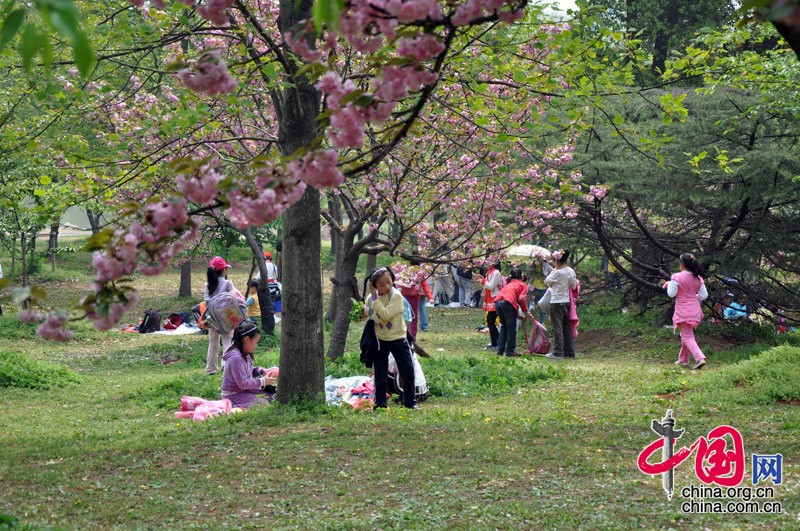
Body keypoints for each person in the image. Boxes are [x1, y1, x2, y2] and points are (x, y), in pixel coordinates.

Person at [365, 267, 418, 410]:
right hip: (380, 340)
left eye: (389, 282)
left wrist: (375, 301)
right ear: (374, 286)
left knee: (407, 371)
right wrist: (365, 311)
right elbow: (370, 315)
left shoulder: (396, 296)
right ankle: (380, 404)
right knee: (380, 374)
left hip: (399, 339)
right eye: (381, 284)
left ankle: (410, 402)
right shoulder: (371, 299)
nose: (387, 287)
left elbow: (386, 314)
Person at [664, 252, 708, 370]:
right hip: (695, 310)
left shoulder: (676, 277)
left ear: (682, 265)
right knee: (687, 334)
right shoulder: (698, 278)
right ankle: (683, 359)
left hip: (683, 311)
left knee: (687, 336)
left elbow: (671, 294)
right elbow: (704, 295)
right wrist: (694, 297)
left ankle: (700, 358)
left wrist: (669, 284)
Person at [220, 321, 278, 409]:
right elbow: (242, 383)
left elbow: (247, 371)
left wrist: (261, 370)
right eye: (256, 342)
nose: (256, 345)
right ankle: (228, 407)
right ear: (247, 339)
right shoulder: (236, 358)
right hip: (233, 394)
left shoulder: (245, 353)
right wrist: (263, 381)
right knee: (262, 403)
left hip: (244, 391)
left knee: (271, 396)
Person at [545, 249, 578, 359]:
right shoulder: (570, 271)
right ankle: (569, 351)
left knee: (557, 327)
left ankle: (558, 352)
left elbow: (546, 281)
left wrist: (554, 270)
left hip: (556, 302)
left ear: (556, 260)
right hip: (567, 302)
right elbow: (574, 286)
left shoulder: (557, 272)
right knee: (566, 327)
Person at [204, 256, 235, 375]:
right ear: (223, 270)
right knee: (228, 341)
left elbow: (207, 301)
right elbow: (234, 297)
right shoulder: (228, 284)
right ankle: (226, 366)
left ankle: (211, 369)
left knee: (213, 344)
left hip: (212, 319)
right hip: (227, 318)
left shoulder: (208, 285)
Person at [493, 268, 532, 357]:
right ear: (521, 276)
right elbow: (521, 299)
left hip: (498, 303)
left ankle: (500, 350)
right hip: (507, 303)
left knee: (504, 327)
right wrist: (526, 312)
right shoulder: (522, 284)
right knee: (511, 328)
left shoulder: (508, 284)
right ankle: (510, 351)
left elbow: (511, 302)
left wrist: (518, 315)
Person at [475, 261, 504, 351]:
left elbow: (491, 287)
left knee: (491, 321)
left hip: (495, 298)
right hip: (490, 297)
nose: (486, 263)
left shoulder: (496, 272)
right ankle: (496, 342)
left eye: (489, 261)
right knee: (490, 321)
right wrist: (482, 280)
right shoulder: (489, 272)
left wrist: (482, 281)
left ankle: (496, 342)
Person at [527, 256, 553, 322]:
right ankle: (531, 320)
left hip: (543, 287)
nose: (537, 260)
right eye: (536, 258)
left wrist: (547, 278)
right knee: (533, 304)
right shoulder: (531, 265)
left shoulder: (545, 265)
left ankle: (542, 322)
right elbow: (528, 274)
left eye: (538, 258)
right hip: (533, 287)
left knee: (543, 305)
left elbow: (553, 271)